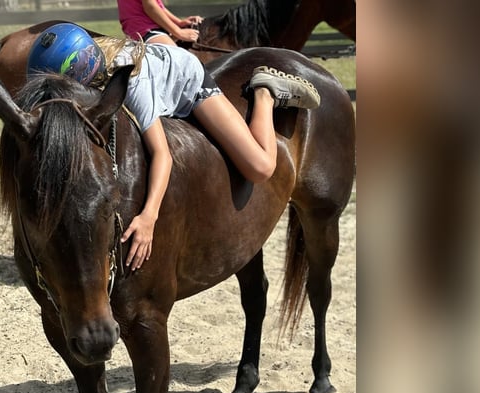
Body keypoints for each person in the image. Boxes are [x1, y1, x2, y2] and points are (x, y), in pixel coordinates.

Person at [27, 23, 320, 271]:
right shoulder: (93, 61)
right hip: (156, 47)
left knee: (261, 166)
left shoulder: (131, 86)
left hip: (188, 79)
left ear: (82, 71)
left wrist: (149, 217)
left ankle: (264, 92)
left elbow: (162, 155)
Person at [117, 0, 202, 45]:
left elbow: (157, 6)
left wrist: (179, 22)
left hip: (140, 29)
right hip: (146, 29)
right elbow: (150, 6)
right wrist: (178, 32)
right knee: (182, 64)